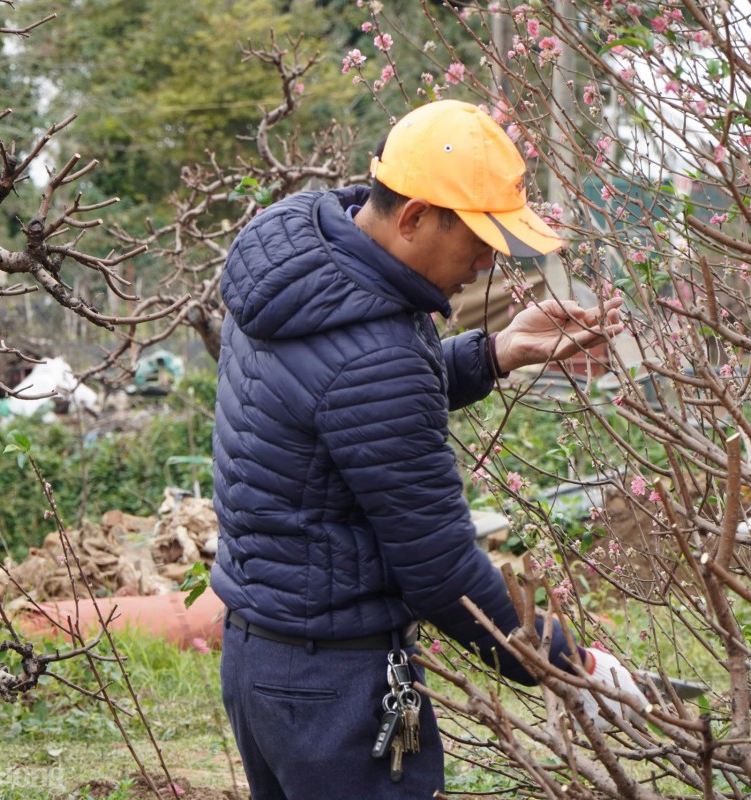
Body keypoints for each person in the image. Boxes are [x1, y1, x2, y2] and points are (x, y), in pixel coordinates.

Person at [211, 99, 644, 800]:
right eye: (477, 238)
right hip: (338, 690)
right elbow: (442, 573)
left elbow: (336, 406)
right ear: (412, 217)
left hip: (263, 656)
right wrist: (573, 664)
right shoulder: (375, 353)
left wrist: (497, 352)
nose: (486, 261)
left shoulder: (294, 258)